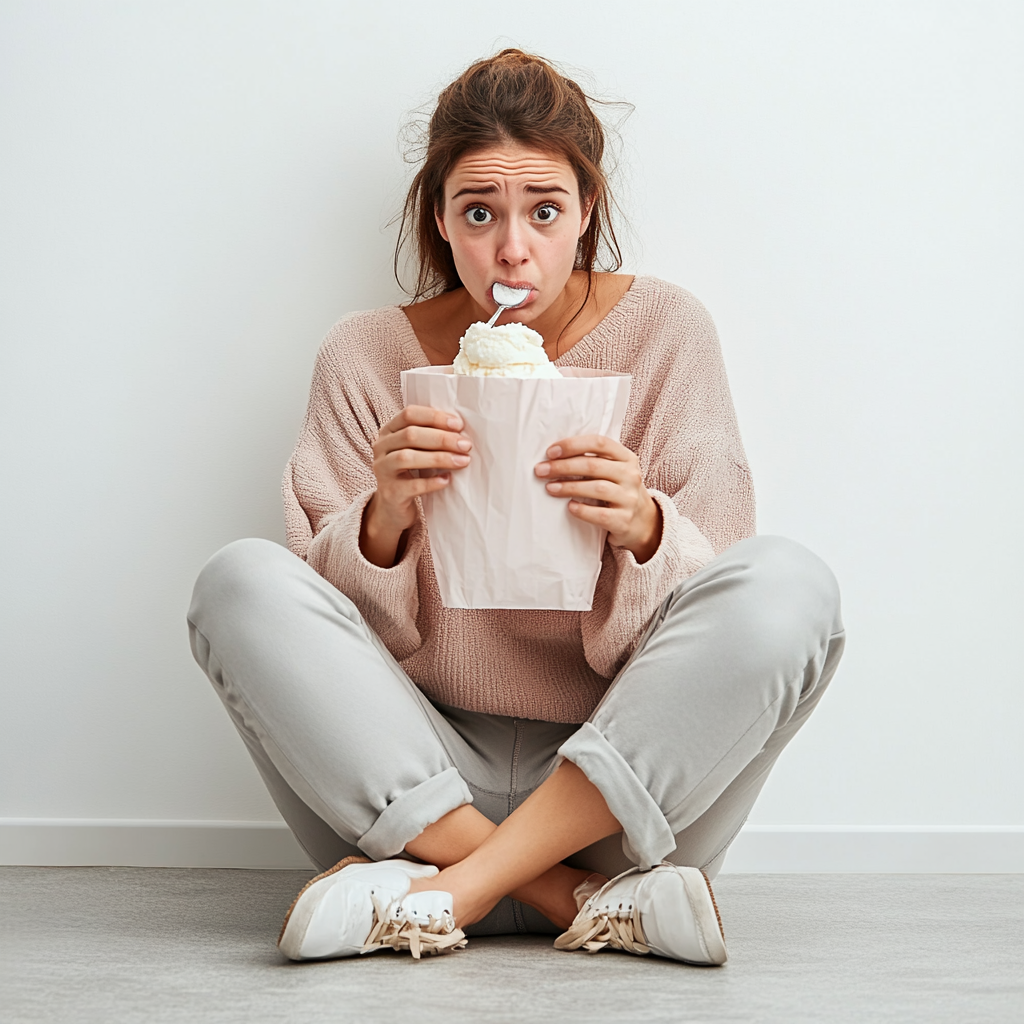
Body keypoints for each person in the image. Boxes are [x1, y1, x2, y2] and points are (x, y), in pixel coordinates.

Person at [188, 49, 845, 966]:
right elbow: (311, 629)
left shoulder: (666, 332)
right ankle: (575, 902)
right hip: (416, 788)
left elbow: (728, 592)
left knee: (793, 583)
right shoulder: (364, 356)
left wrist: (647, 527)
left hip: (619, 795)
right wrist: (380, 524)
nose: (511, 249)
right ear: (441, 220)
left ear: (586, 211)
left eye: (544, 211)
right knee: (237, 582)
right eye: (479, 213)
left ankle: (444, 896)